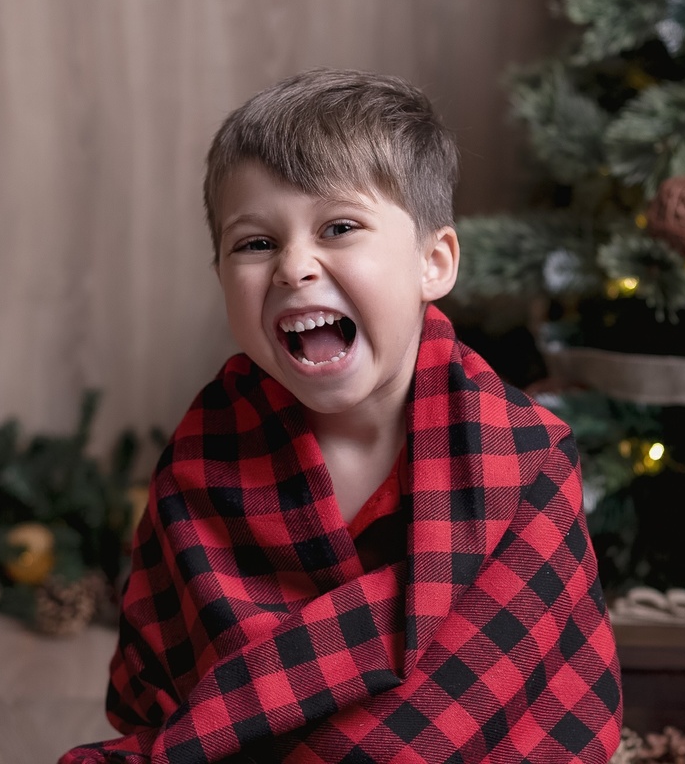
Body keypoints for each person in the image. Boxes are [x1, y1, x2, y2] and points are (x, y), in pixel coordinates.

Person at [60, 68, 623, 763]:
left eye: (340, 227)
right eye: (255, 243)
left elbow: (539, 699)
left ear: (434, 263)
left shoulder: (524, 458)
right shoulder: (209, 454)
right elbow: (158, 690)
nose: (295, 266)